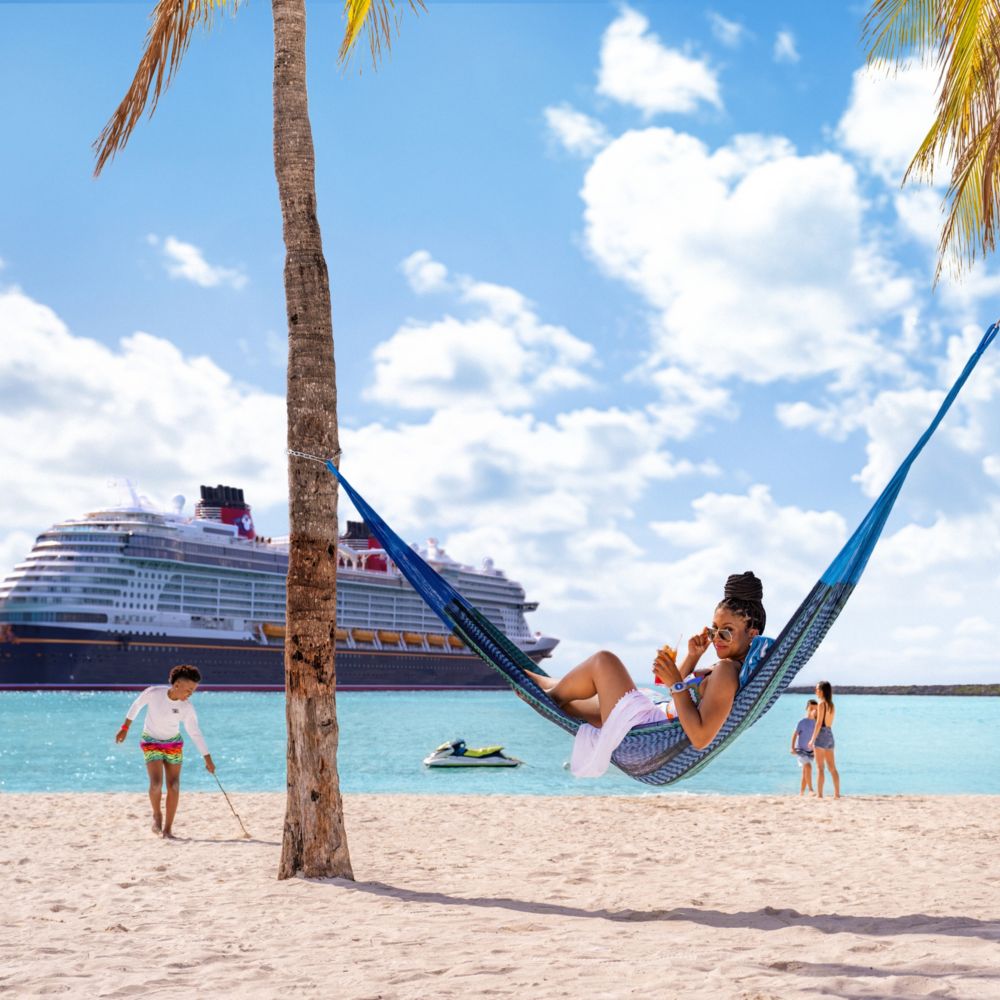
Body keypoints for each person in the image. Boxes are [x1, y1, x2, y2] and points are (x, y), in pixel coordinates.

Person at [526, 572, 771, 778]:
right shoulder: (725, 667)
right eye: (713, 630)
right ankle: (537, 688)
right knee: (546, 685)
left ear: (752, 633)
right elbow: (676, 695)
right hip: (653, 721)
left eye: (726, 632)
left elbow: (700, 737)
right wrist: (692, 657)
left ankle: (547, 699)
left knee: (604, 661)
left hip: (648, 730)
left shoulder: (727, 671)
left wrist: (676, 683)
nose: (716, 638)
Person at [115, 664, 215, 838]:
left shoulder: (186, 707)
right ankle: (157, 814)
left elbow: (194, 732)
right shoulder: (154, 693)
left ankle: (168, 829)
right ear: (176, 685)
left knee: (174, 786)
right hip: (151, 741)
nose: (191, 694)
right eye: (189, 690)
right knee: (156, 785)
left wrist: (208, 759)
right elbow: (136, 706)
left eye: (193, 690)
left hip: (173, 744)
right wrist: (125, 728)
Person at [808, 679, 840, 799]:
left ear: (822, 691)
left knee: (820, 768)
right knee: (832, 767)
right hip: (830, 733)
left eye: (817, 689)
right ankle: (837, 794)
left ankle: (820, 795)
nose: (815, 691)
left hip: (821, 734)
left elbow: (818, 723)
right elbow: (828, 722)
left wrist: (812, 739)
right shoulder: (831, 705)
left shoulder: (821, 704)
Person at [790, 699, 818, 795]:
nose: (813, 711)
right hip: (801, 750)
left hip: (811, 752)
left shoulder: (817, 723)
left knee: (805, 772)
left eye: (815, 709)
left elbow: (817, 737)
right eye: (811, 708)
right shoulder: (802, 722)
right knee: (808, 767)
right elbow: (795, 735)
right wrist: (792, 748)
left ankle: (801, 793)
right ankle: (810, 790)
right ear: (807, 708)